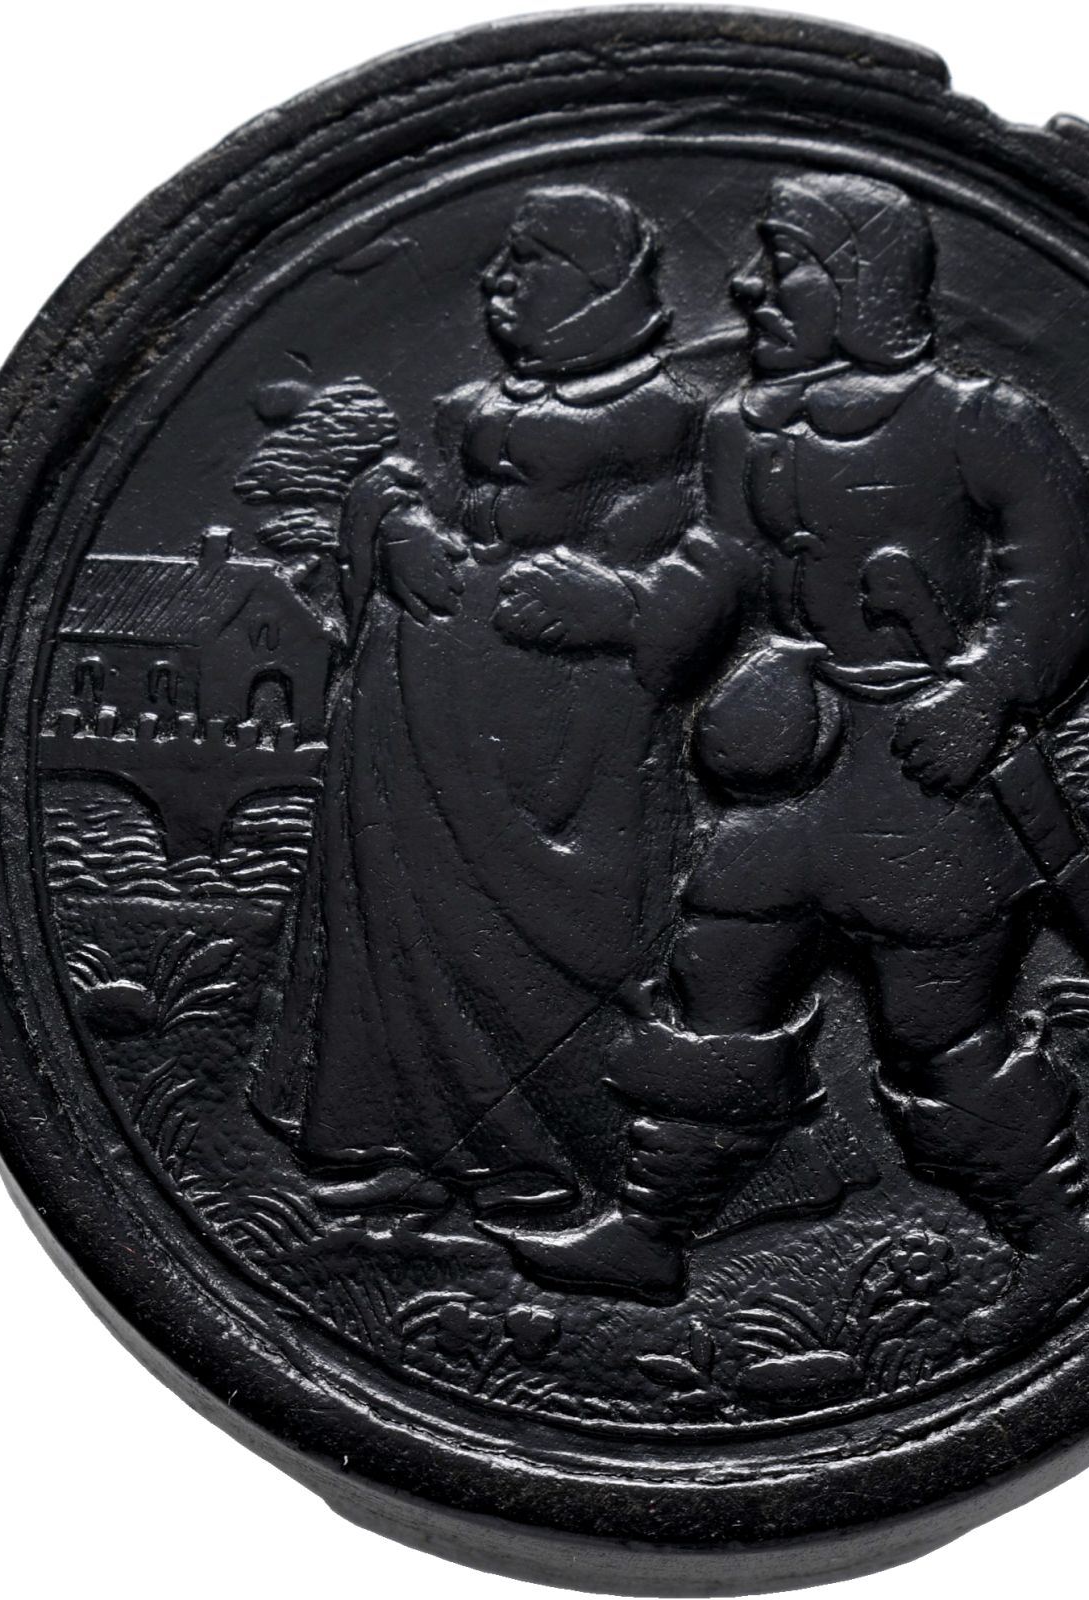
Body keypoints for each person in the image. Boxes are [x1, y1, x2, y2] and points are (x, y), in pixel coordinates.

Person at [493, 174, 1089, 1345]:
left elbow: (1068, 571)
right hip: (789, 765)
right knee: (715, 982)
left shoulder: (980, 419)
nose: (747, 286)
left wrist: (986, 687)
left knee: (937, 1027)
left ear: (860, 282)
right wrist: (620, 610)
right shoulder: (746, 428)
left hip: (929, 774)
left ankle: (1057, 1230)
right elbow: (720, 568)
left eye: (780, 261)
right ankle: (653, 1229)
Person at [254, 186, 752, 1220]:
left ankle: (553, 1158)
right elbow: (420, 502)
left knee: (560, 947)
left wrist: (622, 605)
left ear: (597, 282)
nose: (495, 280)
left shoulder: (685, 419)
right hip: (422, 709)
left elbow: (726, 563)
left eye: (526, 262)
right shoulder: (469, 410)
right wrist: (393, 525)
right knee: (400, 922)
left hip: (577, 740)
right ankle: (392, 1134)